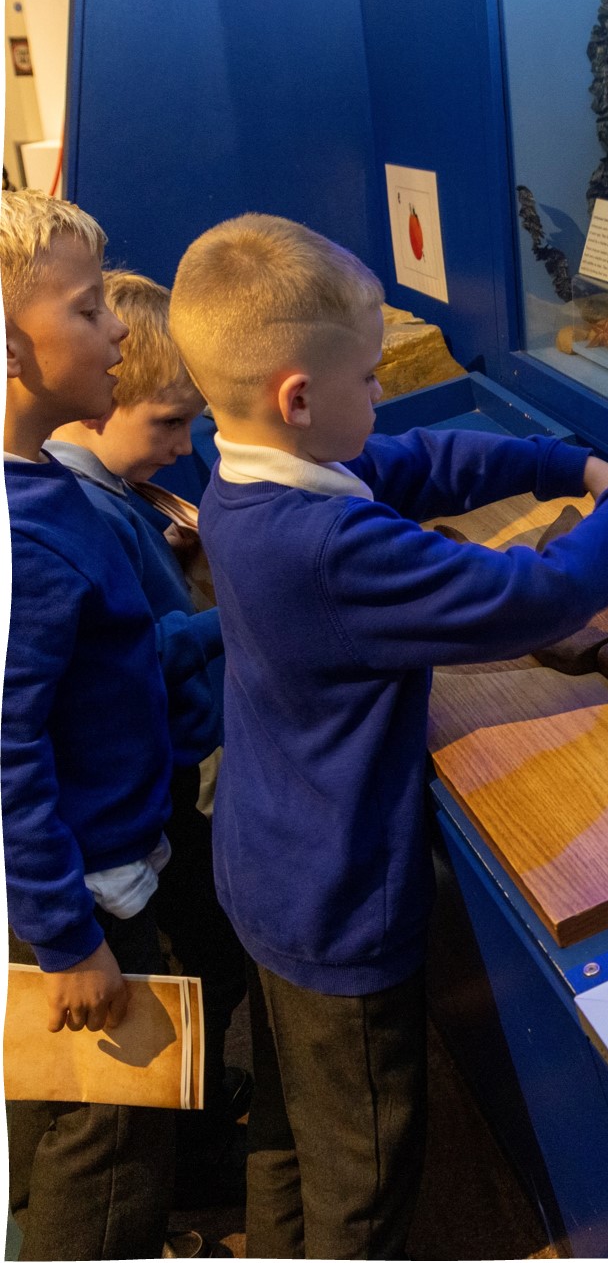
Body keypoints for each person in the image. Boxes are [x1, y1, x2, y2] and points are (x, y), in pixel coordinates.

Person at [167, 212, 608, 1258]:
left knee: (289, 1140)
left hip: (266, 868)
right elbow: (537, 594)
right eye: (369, 379)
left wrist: (569, 469)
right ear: (299, 396)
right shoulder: (327, 549)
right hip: (337, 910)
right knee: (365, 1172)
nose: (381, 397)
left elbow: (413, 461)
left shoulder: (242, 469)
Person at [44, 270, 251, 1207]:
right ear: (99, 404)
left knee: (208, 963)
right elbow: (142, 650)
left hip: (162, 785)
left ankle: (197, 1120)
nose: (185, 445)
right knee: (199, 964)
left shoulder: (115, 497)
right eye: (169, 424)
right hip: (150, 797)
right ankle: (192, 1162)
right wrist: (240, 613)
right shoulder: (80, 514)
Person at [1, 189, 178, 1258]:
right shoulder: (25, 542)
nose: (117, 327)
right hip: (82, 901)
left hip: (98, 877)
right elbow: (5, 752)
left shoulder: (53, 492)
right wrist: (68, 939)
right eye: (84, 311)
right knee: (100, 1150)